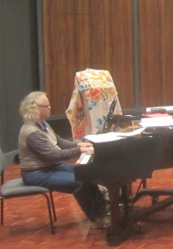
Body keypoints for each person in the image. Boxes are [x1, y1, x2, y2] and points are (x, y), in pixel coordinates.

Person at [17, 91, 107, 227]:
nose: (50, 108)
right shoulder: (31, 132)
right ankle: (98, 218)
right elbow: (52, 155)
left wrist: (80, 144)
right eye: (46, 106)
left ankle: (103, 208)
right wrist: (79, 150)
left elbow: (59, 142)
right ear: (35, 108)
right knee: (79, 182)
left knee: (85, 172)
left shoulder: (42, 124)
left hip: (50, 167)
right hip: (36, 173)